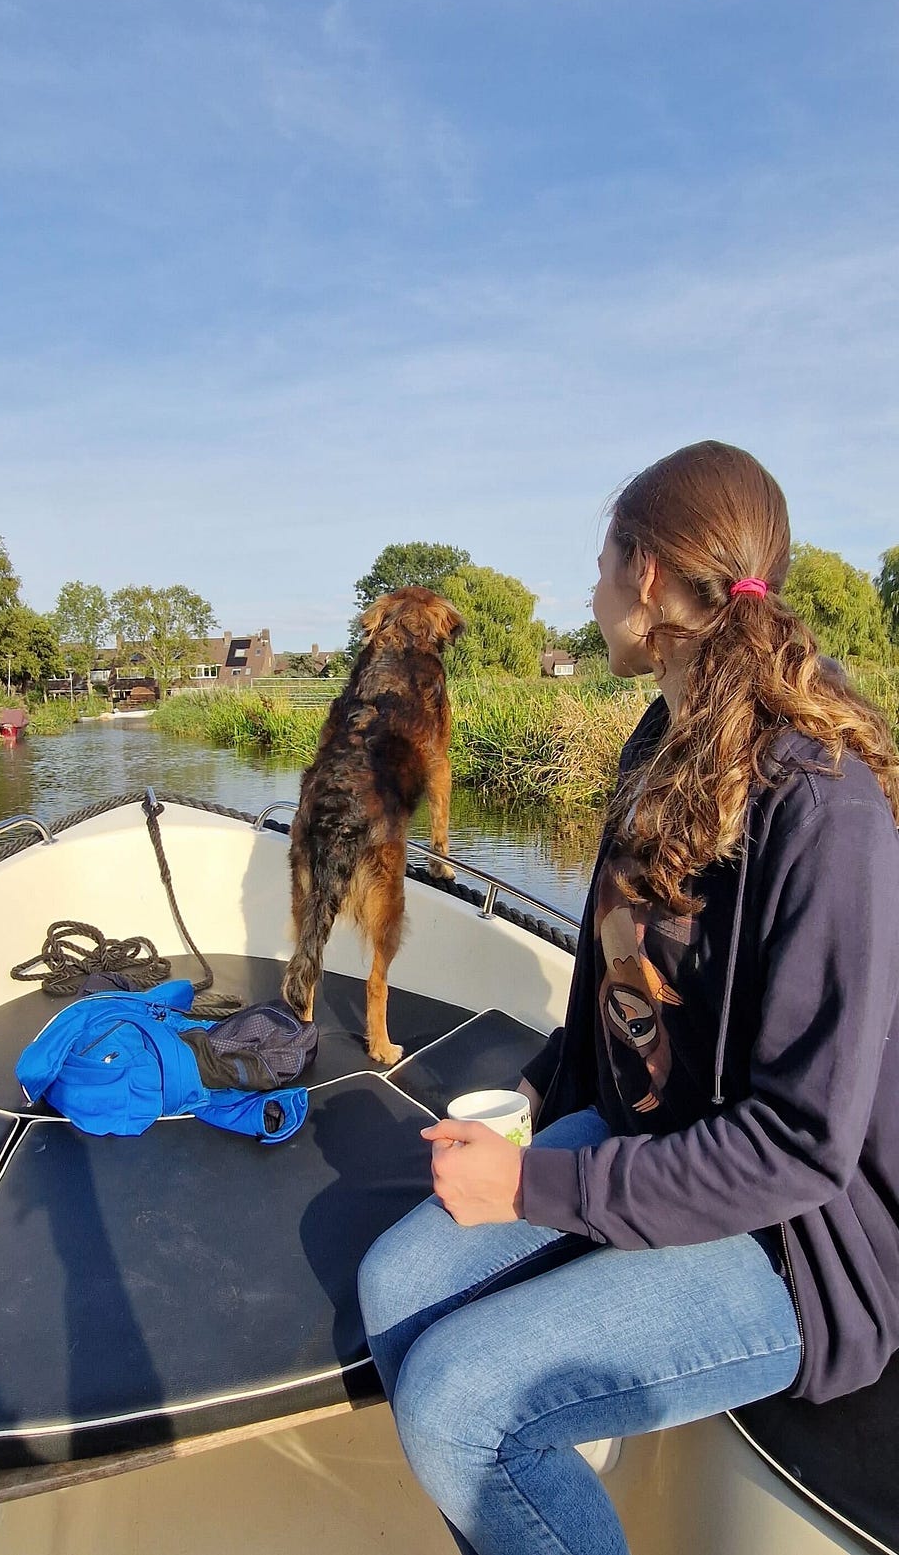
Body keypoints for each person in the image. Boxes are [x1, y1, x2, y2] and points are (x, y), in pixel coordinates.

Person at [357, 440, 899, 1555]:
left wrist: (532, 1185)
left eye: (598, 565)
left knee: (463, 1402)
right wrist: (541, 1088)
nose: (588, 593)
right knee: (395, 1281)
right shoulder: (660, 738)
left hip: (796, 1241)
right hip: (659, 1138)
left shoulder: (822, 801)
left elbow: (800, 1147)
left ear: (645, 577)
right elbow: (621, 977)